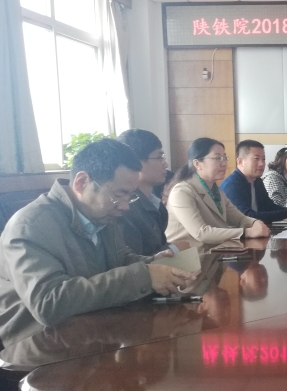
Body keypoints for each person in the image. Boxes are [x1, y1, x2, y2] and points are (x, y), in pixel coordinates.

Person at [0, 139, 198, 347]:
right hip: (39, 347)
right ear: (82, 182)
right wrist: (144, 276)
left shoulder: (101, 215)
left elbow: (121, 259)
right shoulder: (30, 226)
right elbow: (48, 304)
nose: (125, 206)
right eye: (119, 194)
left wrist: (156, 265)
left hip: (91, 336)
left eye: (130, 196)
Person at [165, 138, 270, 246]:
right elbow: (201, 233)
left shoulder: (216, 190)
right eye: (217, 158)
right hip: (190, 255)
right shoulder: (182, 192)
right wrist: (246, 232)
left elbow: (240, 219)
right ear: (197, 164)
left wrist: (255, 223)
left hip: (214, 252)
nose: (224, 163)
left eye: (225, 158)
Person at [117, 129, 180, 256]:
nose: (166, 164)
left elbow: (160, 246)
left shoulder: (155, 202)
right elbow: (133, 260)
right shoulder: (127, 208)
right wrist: (175, 249)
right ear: (136, 162)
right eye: (159, 157)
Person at [220, 140, 287, 225]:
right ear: (240, 162)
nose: (261, 164)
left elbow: (269, 207)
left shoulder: (257, 181)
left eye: (263, 159)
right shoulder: (232, 185)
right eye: (256, 159)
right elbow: (246, 217)